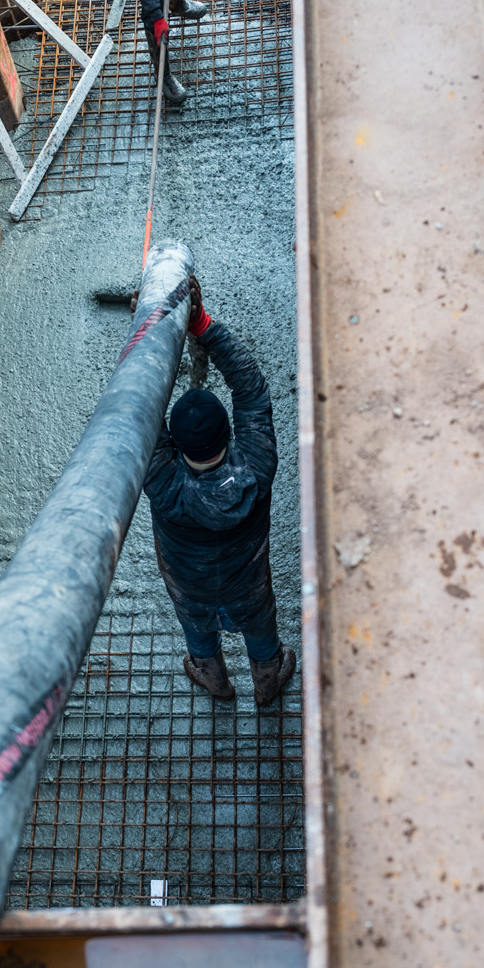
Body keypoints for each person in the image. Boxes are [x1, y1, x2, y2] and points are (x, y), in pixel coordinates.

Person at [141, 275, 296, 707]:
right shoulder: (257, 463)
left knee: (197, 629)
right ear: (229, 432)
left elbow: (140, 403)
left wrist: (148, 329)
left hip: (187, 584)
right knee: (261, 628)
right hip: (247, 580)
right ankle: (268, 681)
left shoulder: (162, 480)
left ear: (174, 444)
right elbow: (249, 387)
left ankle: (214, 679)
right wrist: (202, 324)